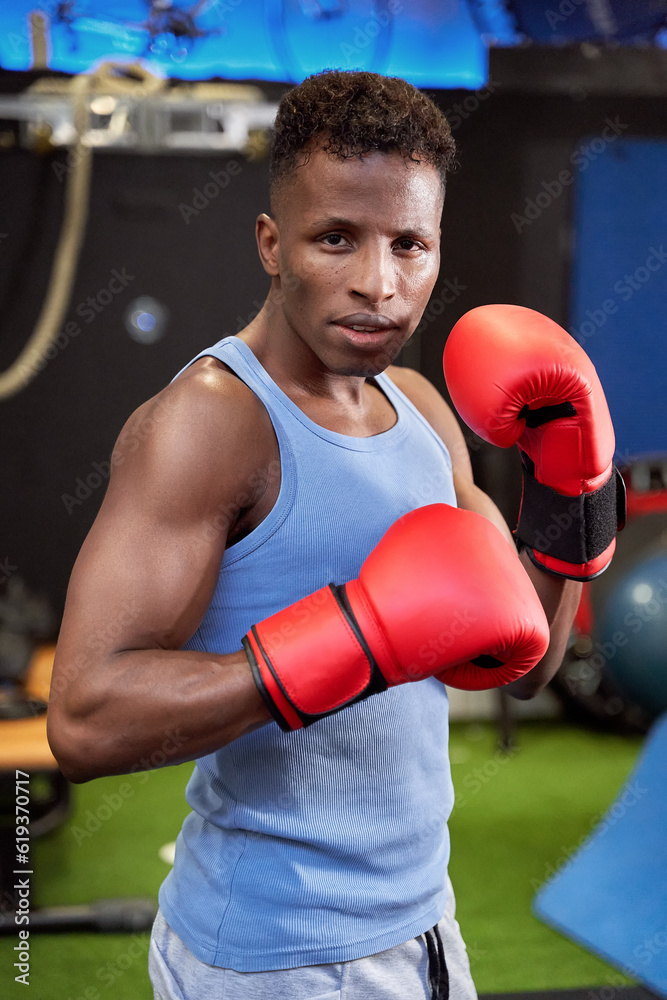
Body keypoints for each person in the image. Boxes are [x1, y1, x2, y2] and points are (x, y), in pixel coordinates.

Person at [47, 70, 620, 999]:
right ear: (273, 244)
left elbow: (527, 658)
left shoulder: (423, 412)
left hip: (424, 923)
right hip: (271, 954)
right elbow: (83, 717)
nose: (377, 284)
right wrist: (355, 637)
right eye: (336, 239)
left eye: (409, 244)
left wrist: (571, 492)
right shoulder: (213, 423)